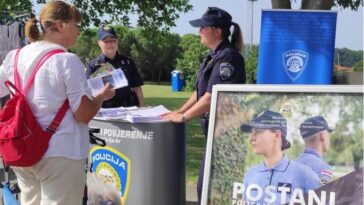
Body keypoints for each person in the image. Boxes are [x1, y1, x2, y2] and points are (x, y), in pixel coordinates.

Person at [0, 1, 115, 204]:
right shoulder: (66, 60)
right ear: (61, 25)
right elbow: (84, 114)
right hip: (61, 154)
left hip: (23, 150)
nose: (79, 31)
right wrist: (100, 97)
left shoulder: (15, 56)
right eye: (75, 24)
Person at [162, 7, 246, 203]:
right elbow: (199, 92)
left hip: (226, 135)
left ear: (217, 31)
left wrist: (183, 118)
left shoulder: (229, 58)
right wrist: (179, 110)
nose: (199, 31)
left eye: (203, 27)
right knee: (208, 188)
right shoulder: (212, 57)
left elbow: (211, 97)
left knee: (209, 188)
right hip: (213, 133)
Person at [240, 110, 321, 205]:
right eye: (252, 132)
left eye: (258, 131)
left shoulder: (306, 176)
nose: (251, 138)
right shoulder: (250, 174)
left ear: (277, 135)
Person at [87, 25, 145, 108]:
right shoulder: (92, 65)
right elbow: (89, 92)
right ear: (99, 43)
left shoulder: (128, 62)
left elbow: (137, 87)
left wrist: (142, 107)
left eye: (113, 40)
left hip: (128, 108)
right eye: (105, 41)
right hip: (105, 110)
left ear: (117, 42)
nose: (110, 44)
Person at [296, 116, 334, 185]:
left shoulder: (294, 163)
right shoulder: (324, 169)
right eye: (328, 133)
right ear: (322, 136)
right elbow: (324, 195)